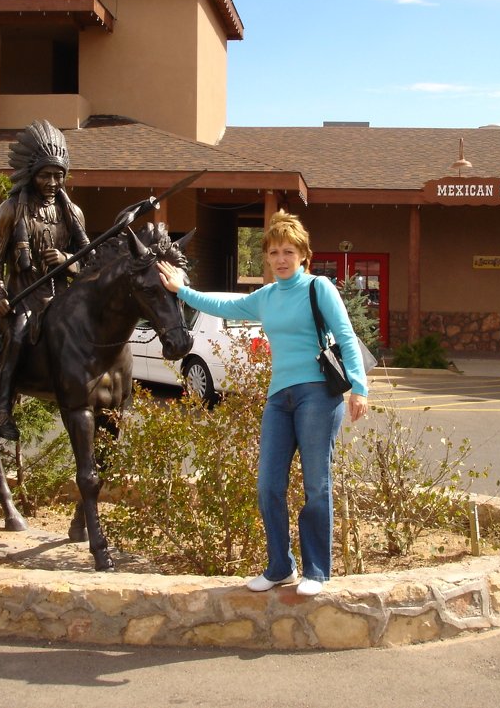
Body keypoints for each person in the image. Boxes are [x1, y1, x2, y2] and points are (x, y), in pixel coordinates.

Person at [158, 209, 368, 596]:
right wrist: (180, 290)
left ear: (303, 254)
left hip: (318, 395)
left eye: (289, 251)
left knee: (316, 486)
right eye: (274, 252)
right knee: (268, 485)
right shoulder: (265, 296)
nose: (281, 259)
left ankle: (316, 572)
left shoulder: (317, 287)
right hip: (280, 398)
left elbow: (346, 335)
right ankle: (279, 567)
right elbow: (219, 305)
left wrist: (359, 388)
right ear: (266, 258)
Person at [0, 119, 91, 440]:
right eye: (46, 174)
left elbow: (90, 265)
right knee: (15, 338)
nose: (53, 182)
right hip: (24, 298)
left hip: (62, 300)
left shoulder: (74, 214)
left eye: (59, 175)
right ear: (31, 174)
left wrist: (68, 262)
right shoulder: (10, 210)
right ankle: (1, 409)